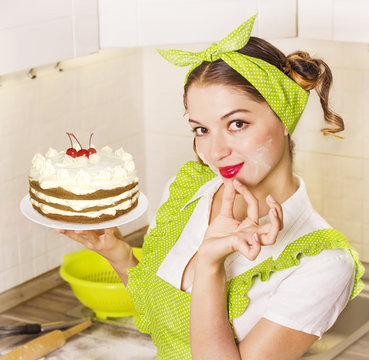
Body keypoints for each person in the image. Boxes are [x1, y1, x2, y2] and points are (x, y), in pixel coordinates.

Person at [56, 14, 364, 360]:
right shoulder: (188, 191)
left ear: (285, 117)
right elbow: (163, 315)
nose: (215, 152)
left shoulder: (322, 263)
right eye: (201, 129)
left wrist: (211, 264)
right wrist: (119, 255)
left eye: (237, 123)